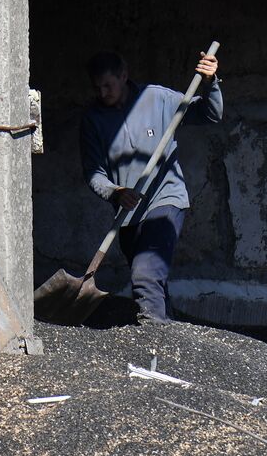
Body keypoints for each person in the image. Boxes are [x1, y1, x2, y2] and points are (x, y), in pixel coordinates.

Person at [80, 49, 223, 324]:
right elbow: (94, 173)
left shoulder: (156, 98)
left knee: (145, 275)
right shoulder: (92, 120)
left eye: (108, 86)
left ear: (123, 76)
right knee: (154, 283)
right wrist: (115, 191)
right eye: (97, 88)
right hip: (128, 213)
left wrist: (211, 83)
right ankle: (171, 333)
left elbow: (210, 115)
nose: (103, 94)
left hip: (165, 198)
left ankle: (154, 337)